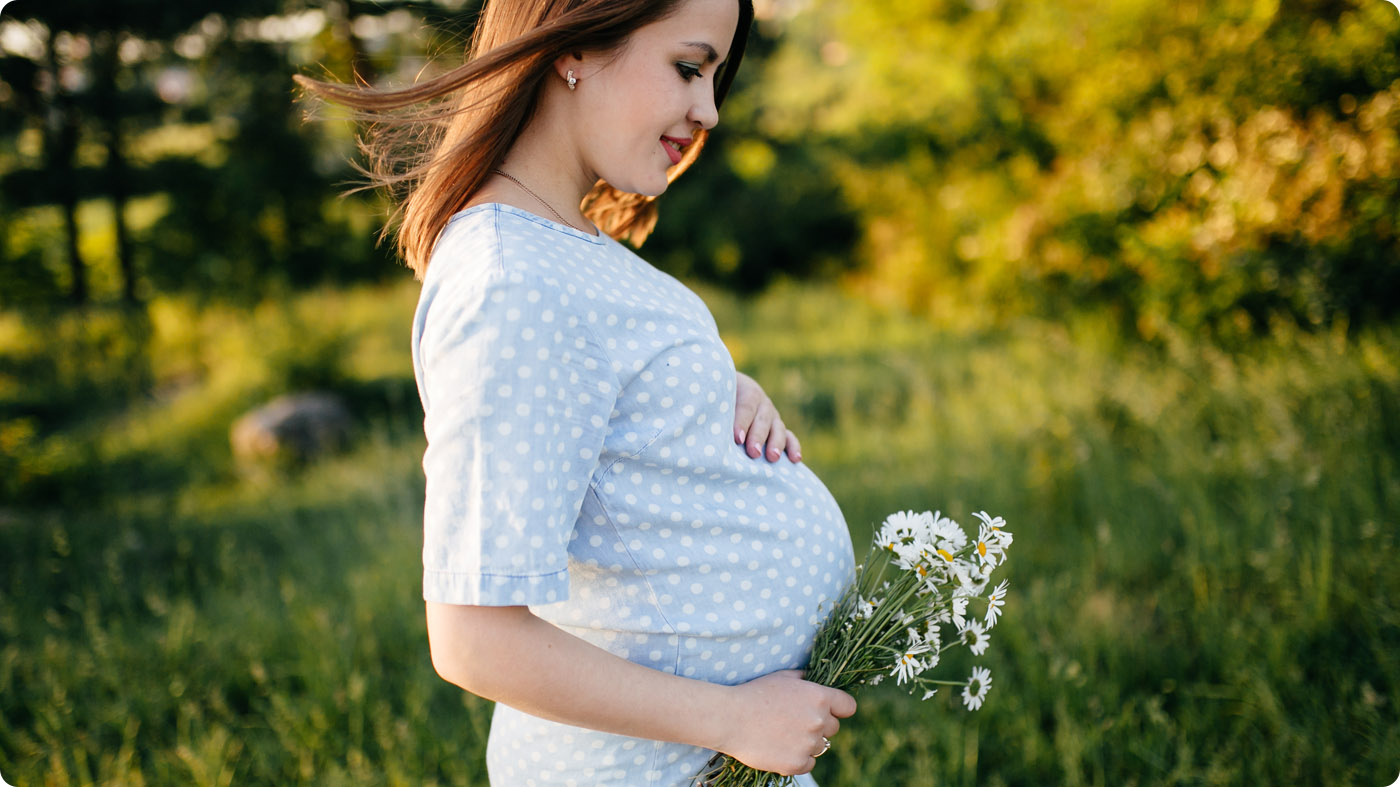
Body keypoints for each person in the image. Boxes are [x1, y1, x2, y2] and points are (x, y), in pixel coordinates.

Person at [297, 0, 856, 784]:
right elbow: (473, 638)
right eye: (689, 68)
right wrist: (731, 718)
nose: (710, 109)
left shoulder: (566, 243)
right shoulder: (511, 282)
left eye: (717, 77)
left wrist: (712, 389)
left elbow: (603, 403)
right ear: (576, 49)